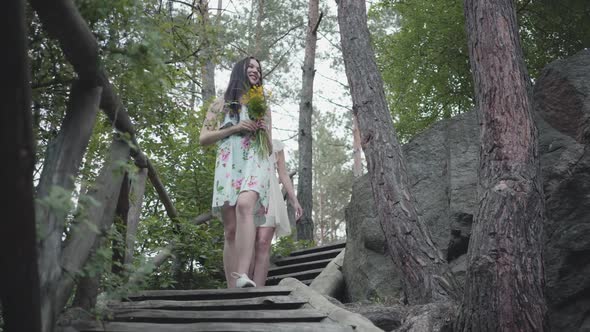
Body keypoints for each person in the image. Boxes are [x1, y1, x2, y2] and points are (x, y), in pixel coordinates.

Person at [199, 56, 272, 288]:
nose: (255, 71)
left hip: (255, 159)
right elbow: (204, 138)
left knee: (244, 205)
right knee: (230, 230)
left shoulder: (262, 105)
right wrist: (235, 128)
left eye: (258, 68)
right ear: (240, 70)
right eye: (251, 66)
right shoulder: (220, 103)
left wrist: (262, 130)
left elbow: (269, 147)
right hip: (229, 163)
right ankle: (233, 289)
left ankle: (242, 274)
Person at [249, 139, 303, 287]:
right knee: (249, 243)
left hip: (270, 194)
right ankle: (243, 289)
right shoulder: (245, 139)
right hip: (249, 191)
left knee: (263, 241)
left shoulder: (276, 146)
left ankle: (258, 291)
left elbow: (283, 174)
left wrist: (294, 200)